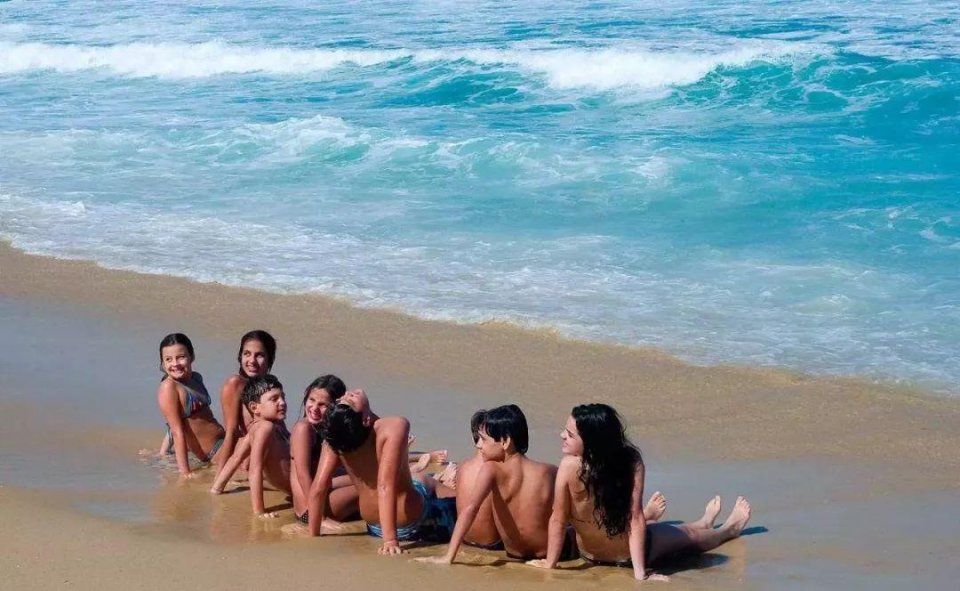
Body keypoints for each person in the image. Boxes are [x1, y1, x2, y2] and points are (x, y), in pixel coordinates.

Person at [528, 403, 752, 581]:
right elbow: (634, 518)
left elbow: (558, 518)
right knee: (688, 537)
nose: (562, 435)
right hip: (629, 554)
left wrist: (550, 563)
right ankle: (715, 526)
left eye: (570, 434)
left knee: (683, 534)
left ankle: (721, 528)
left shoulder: (569, 467)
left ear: (592, 442)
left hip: (593, 555)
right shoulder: (629, 461)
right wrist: (639, 573)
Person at [306, 389, 456, 554]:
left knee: (422, 479)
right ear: (365, 419)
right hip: (412, 523)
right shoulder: (394, 426)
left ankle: (443, 482)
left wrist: (313, 533)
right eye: (350, 401)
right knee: (453, 500)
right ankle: (452, 489)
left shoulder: (335, 439)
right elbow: (385, 486)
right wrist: (390, 541)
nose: (350, 393)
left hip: (374, 525)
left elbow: (318, 488)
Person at [417, 404, 564, 564]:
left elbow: (470, 509)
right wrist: (550, 564)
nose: (479, 445)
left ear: (505, 441)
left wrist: (448, 557)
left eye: (484, 439)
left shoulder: (491, 469)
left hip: (514, 554)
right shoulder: (550, 471)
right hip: (550, 554)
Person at [210, 374, 292, 517]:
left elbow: (235, 458)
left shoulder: (258, 428)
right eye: (274, 399)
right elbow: (255, 469)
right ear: (254, 407)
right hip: (301, 490)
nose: (282, 402)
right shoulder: (265, 428)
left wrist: (217, 488)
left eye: (283, 397)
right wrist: (259, 511)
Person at [290, 375, 358, 524]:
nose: (314, 408)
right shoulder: (303, 429)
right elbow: (303, 476)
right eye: (311, 400)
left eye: (322, 405)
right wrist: (320, 518)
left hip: (321, 500)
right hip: (310, 510)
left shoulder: (326, 429)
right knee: (373, 485)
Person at [155, 333, 225, 477]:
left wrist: (163, 452)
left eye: (181, 357)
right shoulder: (168, 388)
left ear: (192, 356)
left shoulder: (196, 378)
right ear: (162, 363)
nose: (175, 364)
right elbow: (176, 430)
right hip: (214, 452)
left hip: (224, 441)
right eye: (168, 359)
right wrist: (185, 472)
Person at [212, 330, 277, 466]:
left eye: (259, 355)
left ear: (270, 359)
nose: (252, 361)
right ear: (240, 356)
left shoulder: (270, 387)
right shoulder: (235, 384)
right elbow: (231, 433)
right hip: (241, 462)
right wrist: (220, 473)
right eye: (247, 354)